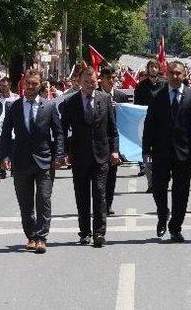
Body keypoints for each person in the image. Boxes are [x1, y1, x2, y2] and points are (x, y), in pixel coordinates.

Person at [0, 69, 65, 254]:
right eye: (27, 83)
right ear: (23, 84)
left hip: (44, 161)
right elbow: (5, 134)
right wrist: (5, 157)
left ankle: (41, 237)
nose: (30, 87)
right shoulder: (14, 107)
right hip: (21, 162)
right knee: (25, 203)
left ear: (40, 85)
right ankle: (31, 236)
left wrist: (59, 156)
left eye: (34, 83)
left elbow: (59, 134)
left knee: (43, 199)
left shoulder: (49, 107)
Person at [142, 61, 191, 242]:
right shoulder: (157, 95)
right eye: (172, 73)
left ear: (184, 75)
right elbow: (149, 125)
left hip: (184, 154)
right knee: (158, 188)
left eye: (178, 73)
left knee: (181, 192)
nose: (175, 76)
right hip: (160, 152)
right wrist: (146, 150)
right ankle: (163, 214)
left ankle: (176, 227)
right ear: (166, 74)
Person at [60, 67, 120, 247]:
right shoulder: (70, 102)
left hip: (101, 157)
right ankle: (85, 232)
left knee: (100, 194)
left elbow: (112, 130)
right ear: (79, 81)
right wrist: (64, 152)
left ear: (97, 81)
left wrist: (114, 150)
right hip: (79, 157)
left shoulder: (105, 99)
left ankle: (99, 233)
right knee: (82, 196)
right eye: (86, 81)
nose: (90, 84)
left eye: (93, 81)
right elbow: (63, 131)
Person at [99, 66, 128, 215]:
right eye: (108, 78)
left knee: (111, 175)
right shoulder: (96, 95)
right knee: (99, 176)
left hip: (114, 140)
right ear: (101, 79)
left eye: (114, 78)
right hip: (99, 141)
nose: (111, 81)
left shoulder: (121, 96)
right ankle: (99, 204)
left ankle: (108, 204)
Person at [134, 59, 166, 181]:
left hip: (163, 124)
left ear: (159, 69)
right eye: (151, 67)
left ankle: (162, 179)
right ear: (147, 69)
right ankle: (150, 182)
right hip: (146, 124)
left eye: (155, 67)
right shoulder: (141, 85)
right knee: (147, 153)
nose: (153, 69)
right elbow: (137, 105)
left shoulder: (165, 84)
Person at [0, 77, 19, 179]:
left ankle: (14, 170)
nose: (3, 87)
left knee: (13, 149)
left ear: (9, 85)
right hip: (0, 128)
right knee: (1, 149)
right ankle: (2, 172)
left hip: (13, 128)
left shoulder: (16, 98)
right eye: (1, 85)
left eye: (5, 85)